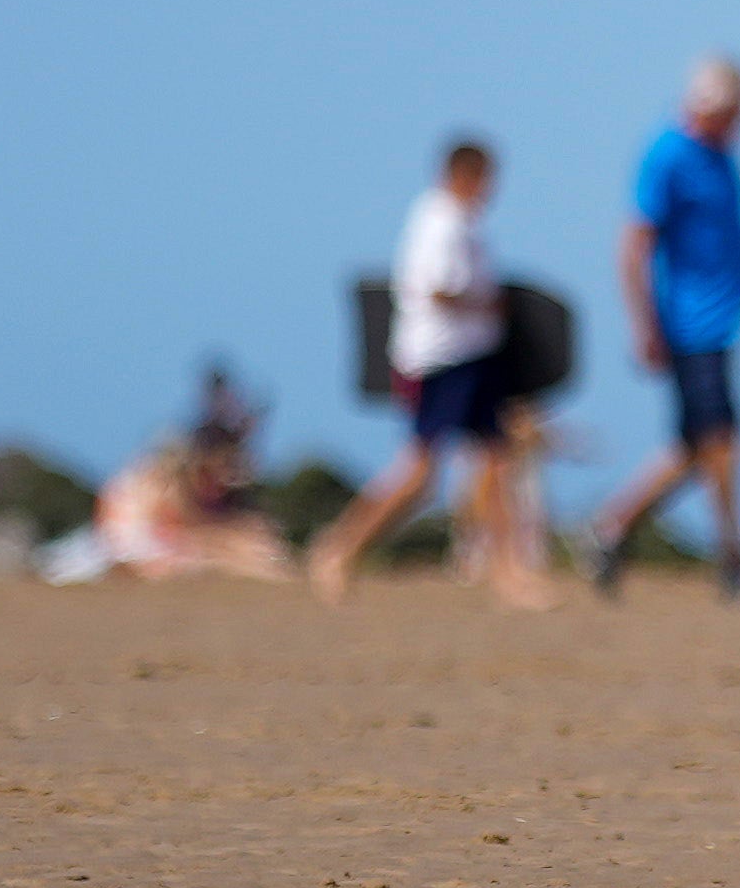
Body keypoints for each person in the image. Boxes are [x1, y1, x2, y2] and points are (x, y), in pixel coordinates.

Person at [591, 56, 740, 601]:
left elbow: (727, 239)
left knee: (696, 447)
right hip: (688, 324)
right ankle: (734, 564)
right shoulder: (668, 155)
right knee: (722, 443)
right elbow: (634, 246)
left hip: (724, 319)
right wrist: (643, 325)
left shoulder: (726, 158)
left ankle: (611, 526)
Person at [312, 138, 534, 602]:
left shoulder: (462, 221)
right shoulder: (441, 221)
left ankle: (509, 571)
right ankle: (338, 549)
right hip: (441, 360)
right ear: (466, 175)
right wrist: (489, 304)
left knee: (496, 460)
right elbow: (437, 290)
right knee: (420, 474)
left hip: (471, 356)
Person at [67, 364, 294, 583]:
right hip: (148, 543)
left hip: (149, 541)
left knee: (247, 547)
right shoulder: (172, 476)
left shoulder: (197, 465)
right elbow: (186, 526)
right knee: (238, 551)